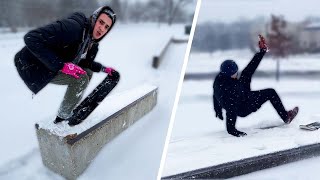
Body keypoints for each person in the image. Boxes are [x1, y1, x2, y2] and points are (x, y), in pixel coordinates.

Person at [14, 5, 118, 124]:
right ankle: (62, 120)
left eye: (106, 27)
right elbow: (31, 38)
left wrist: (103, 69)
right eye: (101, 22)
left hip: (52, 63)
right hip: (31, 64)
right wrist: (62, 65)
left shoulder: (91, 42)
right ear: (94, 18)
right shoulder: (73, 28)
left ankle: (69, 107)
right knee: (81, 79)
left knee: (87, 72)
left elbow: (85, 62)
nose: (102, 29)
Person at [213, 35, 299, 137]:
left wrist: (218, 110)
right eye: (234, 72)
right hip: (243, 106)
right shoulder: (231, 91)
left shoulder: (219, 80)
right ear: (229, 74)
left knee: (246, 72)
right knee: (270, 92)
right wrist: (232, 130)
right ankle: (286, 117)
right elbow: (231, 109)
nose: (236, 73)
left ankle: (262, 50)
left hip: (241, 95)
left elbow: (215, 95)